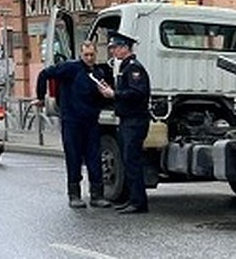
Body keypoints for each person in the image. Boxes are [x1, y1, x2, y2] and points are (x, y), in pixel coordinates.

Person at [35, 40, 114, 208]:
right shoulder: (70, 68)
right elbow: (44, 74)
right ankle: (74, 195)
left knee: (94, 158)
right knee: (74, 157)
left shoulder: (98, 73)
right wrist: (41, 97)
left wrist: (104, 97)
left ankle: (96, 195)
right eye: (86, 55)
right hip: (72, 121)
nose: (89, 58)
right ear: (81, 54)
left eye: (92, 55)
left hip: (91, 122)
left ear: (96, 54)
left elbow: (101, 98)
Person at [100, 31, 151, 214]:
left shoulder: (134, 68)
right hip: (128, 120)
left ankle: (138, 202)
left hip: (135, 121)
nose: (113, 51)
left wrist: (114, 94)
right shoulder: (125, 67)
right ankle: (132, 199)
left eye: (115, 48)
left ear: (124, 48)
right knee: (128, 161)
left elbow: (138, 93)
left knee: (132, 161)